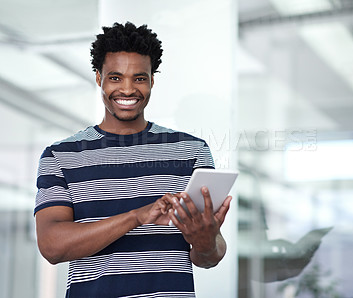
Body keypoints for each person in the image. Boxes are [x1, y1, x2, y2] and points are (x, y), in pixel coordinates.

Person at [34, 22, 232, 298]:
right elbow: (52, 247)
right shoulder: (61, 156)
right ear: (98, 78)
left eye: (139, 78)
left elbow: (209, 256)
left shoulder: (191, 150)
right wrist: (137, 217)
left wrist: (206, 243)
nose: (127, 90)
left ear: (152, 80)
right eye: (115, 78)